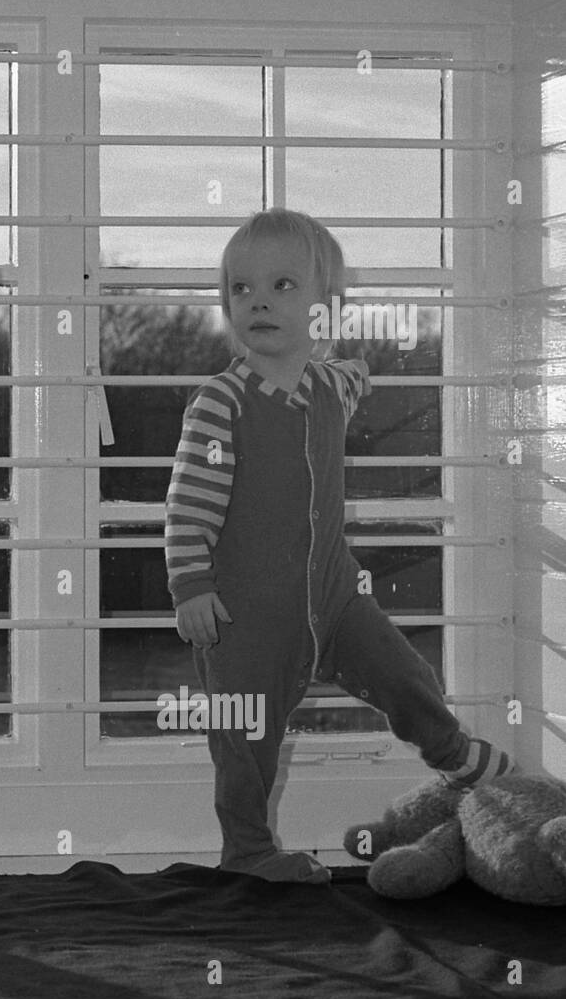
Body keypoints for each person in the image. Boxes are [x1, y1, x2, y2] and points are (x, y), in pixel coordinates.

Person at [164, 208, 513, 883]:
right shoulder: (221, 402)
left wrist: (353, 369)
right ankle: (249, 852)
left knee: (405, 674)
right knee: (246, 742)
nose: (258, 300)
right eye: (241, 289)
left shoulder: (330, 387)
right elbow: (188, 502)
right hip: (247, 612)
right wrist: (190, 585)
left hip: (335, 592)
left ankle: (454, 755)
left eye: (284, 286)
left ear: (326, 308)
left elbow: (350, 379)